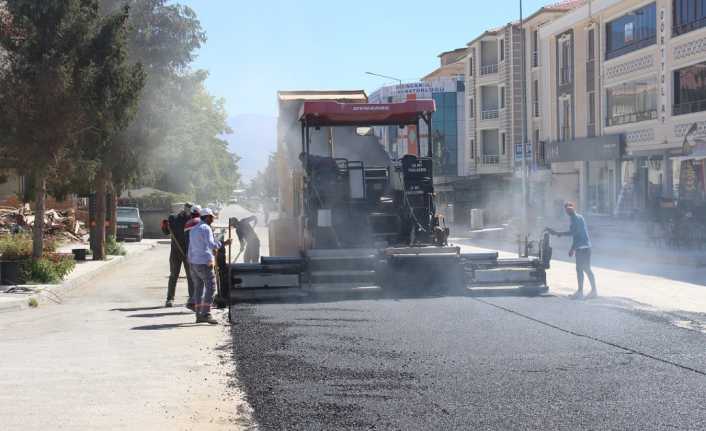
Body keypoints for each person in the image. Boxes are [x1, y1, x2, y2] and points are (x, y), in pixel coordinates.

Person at [188, 208, 231, 324]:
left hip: (194, 263)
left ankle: (198, 315)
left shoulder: (194, 229)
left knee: (198, 288)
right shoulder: (206, 228)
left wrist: (191, 262)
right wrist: (223, 243)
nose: (212, 219)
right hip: (204, 263)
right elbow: (211, 245)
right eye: (211, 217)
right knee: (211, 287)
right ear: (207, 217)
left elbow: (191, 248)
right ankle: (206, 313)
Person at [548, 202, 597, 300]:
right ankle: (592, 291)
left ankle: (582, 292)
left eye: (569, 208)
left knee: (581, 269)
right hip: (586, 247)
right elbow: (576, 234)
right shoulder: (579, 217)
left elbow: (575, 233)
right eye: (566, 209)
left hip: (582, 248)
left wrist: (561, 235)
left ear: (573, 208)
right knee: (585, 269)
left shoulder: (575, 218)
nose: (568, 210)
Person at [162, 202, 194, 308]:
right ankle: (169, 299)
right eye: (186, 209)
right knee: (173, 275)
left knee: (191, 276)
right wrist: (164, 226)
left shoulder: (193, 221)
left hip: (188, 253)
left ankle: (192, 298)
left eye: (190, 209)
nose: (188, 211)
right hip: (176, 252)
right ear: (183, 209)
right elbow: (166, 232)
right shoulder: (173, 218)